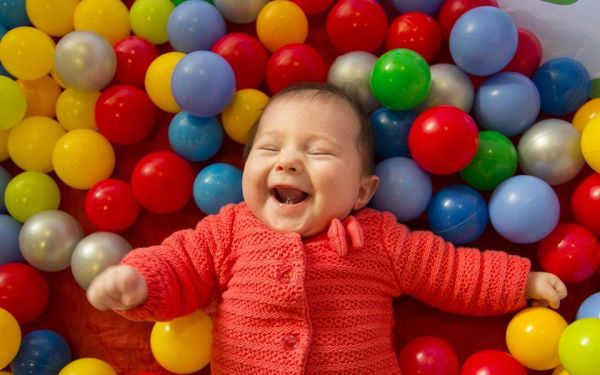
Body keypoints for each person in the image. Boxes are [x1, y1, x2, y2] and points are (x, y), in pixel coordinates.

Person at [87, 82, 567, 374]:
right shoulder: (230, 230)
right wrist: (139, 280)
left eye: (318, 151)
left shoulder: (379, 239)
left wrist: (518, 282)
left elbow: (448, 271)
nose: (290, 161)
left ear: (362, 192)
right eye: (270, 149)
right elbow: (181, 265)